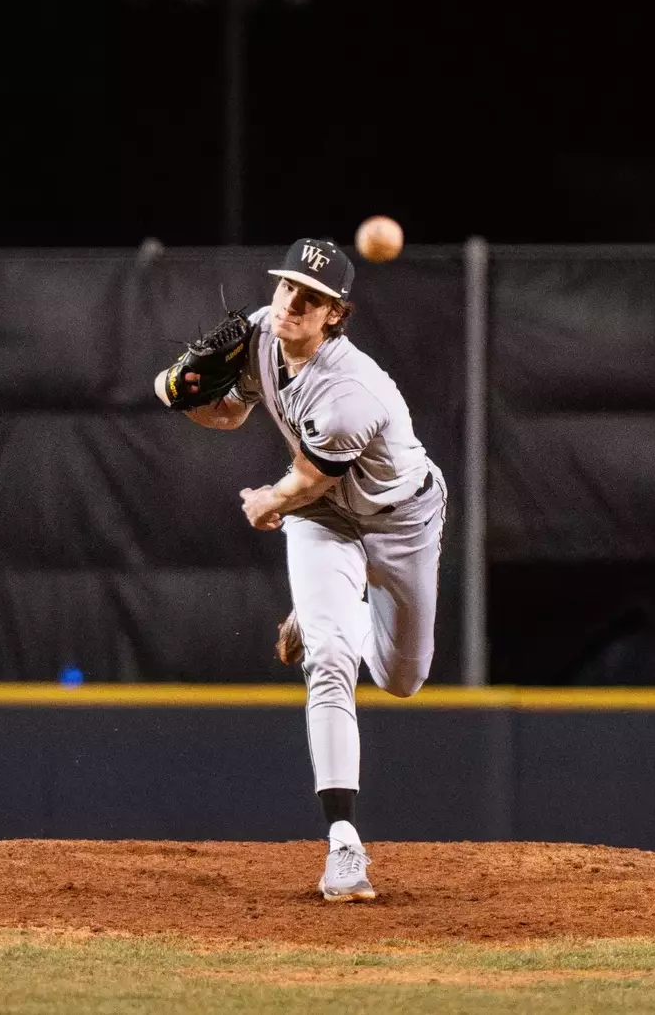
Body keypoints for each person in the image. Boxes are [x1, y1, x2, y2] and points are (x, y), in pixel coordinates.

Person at [154, 237, 446, 902]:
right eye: (288, 287)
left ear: (334, 315)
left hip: (400, 521)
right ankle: (344, 844)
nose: (291, 302)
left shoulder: (352, 388)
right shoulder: (260, 332)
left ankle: (339, 607)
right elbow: (229, 413)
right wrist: (180, 392)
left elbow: (305, 481)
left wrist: (264, 501)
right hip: (326, 520)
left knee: (402, 679)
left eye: (311, 298)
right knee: (329, 660)